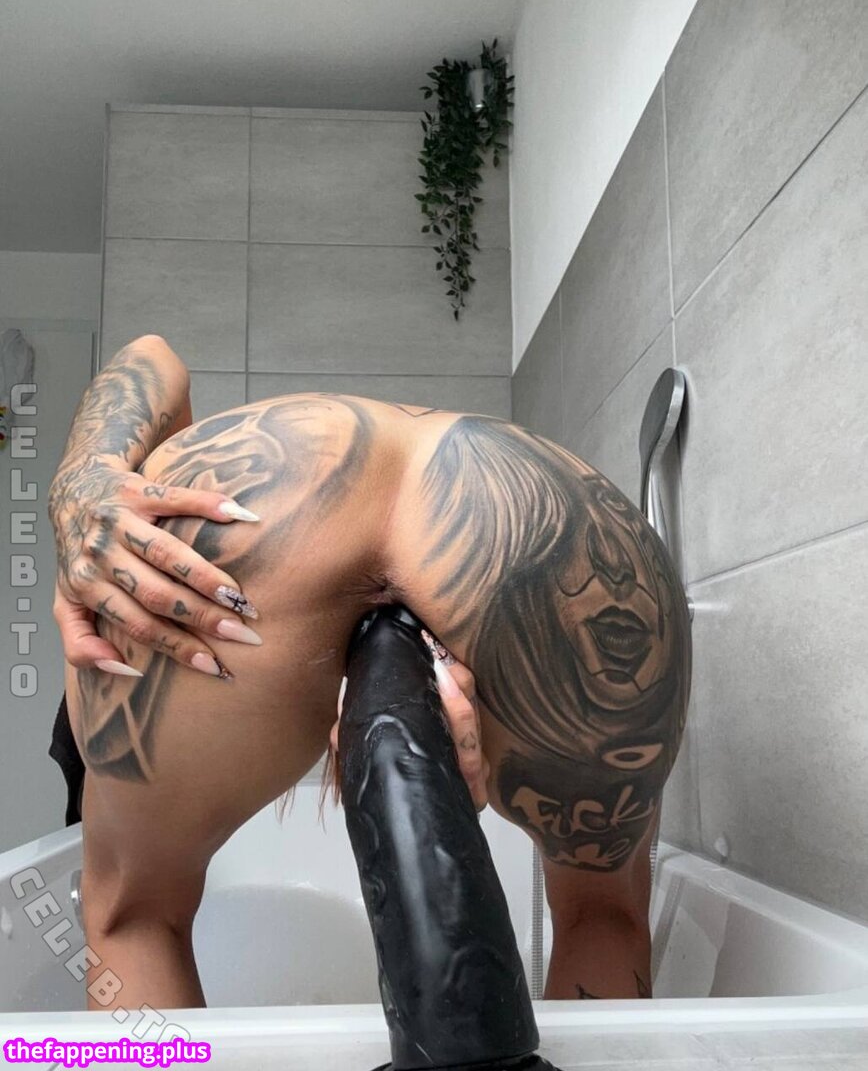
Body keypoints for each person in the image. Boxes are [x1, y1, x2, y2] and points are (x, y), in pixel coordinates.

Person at [48, 334, 692, 1011]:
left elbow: (152, 352)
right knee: (601, 914)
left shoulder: (181, 492)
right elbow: (152, 357)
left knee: (135, 917)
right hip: (552, 511)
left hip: (261, 512)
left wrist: (83, 480)